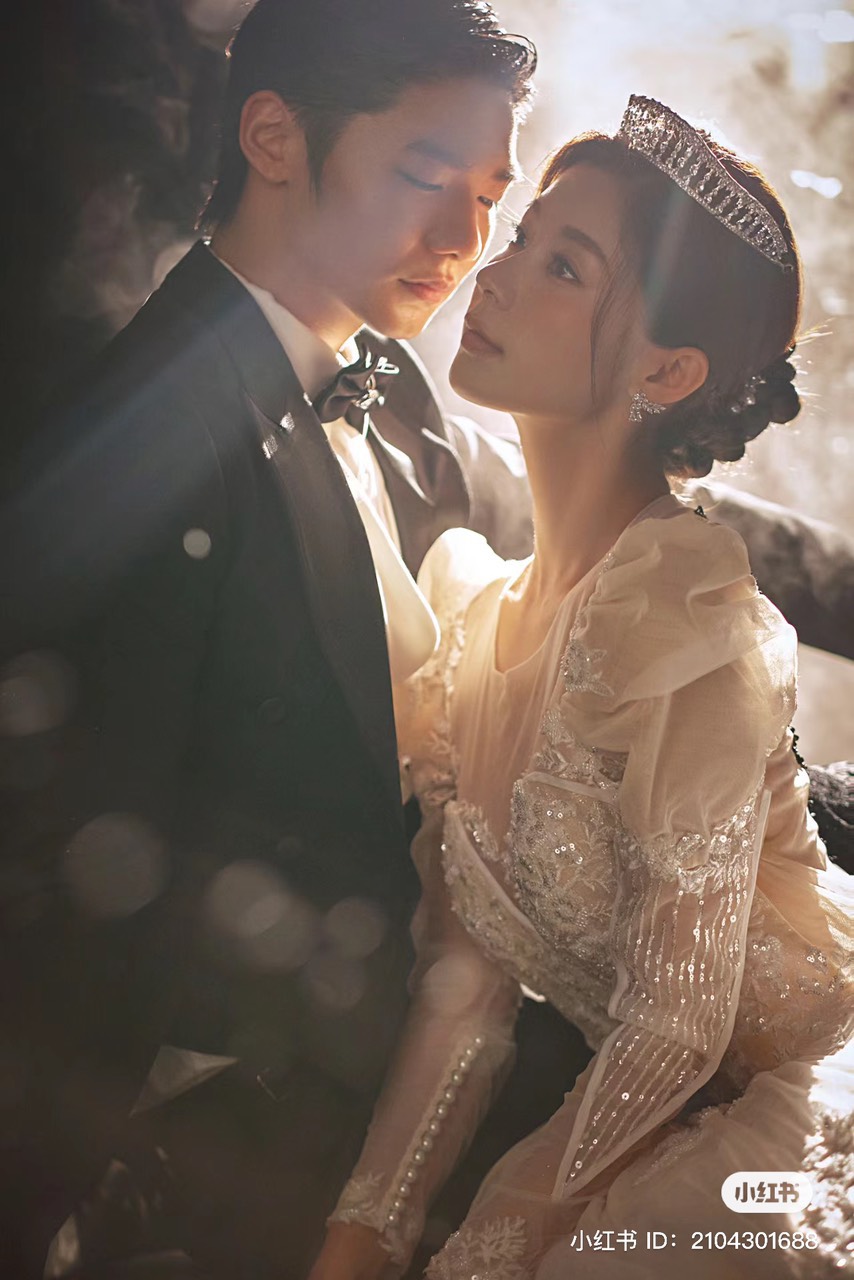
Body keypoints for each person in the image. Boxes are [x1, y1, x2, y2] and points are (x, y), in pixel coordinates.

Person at [0, 3, 537, 1276]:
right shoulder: (141, 437)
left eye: (489, 198)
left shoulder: (393, 388)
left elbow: (564, 488)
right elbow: (72, 886)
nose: (463, 241)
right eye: (425, 175)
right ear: (274, 137)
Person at [312, 97, 854, 1279]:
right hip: (657, 1105)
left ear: (665, 368)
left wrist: (480, 1249)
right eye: (522, 237)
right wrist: (360, 1236)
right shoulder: (476, 620)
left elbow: (672, 1026)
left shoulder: (682, 622)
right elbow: (463, 994)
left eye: (563, 264)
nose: (495, 276)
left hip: (802, 1097)